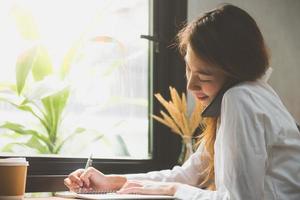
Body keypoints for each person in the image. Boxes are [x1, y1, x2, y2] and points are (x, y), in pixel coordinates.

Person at [64, 4, 300, 199]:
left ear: (234, 71)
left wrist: (175, 190)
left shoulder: (240, 98)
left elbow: (240, 199)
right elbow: (188, 173)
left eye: (205, 76)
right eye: (188, 68)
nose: (190, 86)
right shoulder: (253, 96)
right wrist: (111, 181)